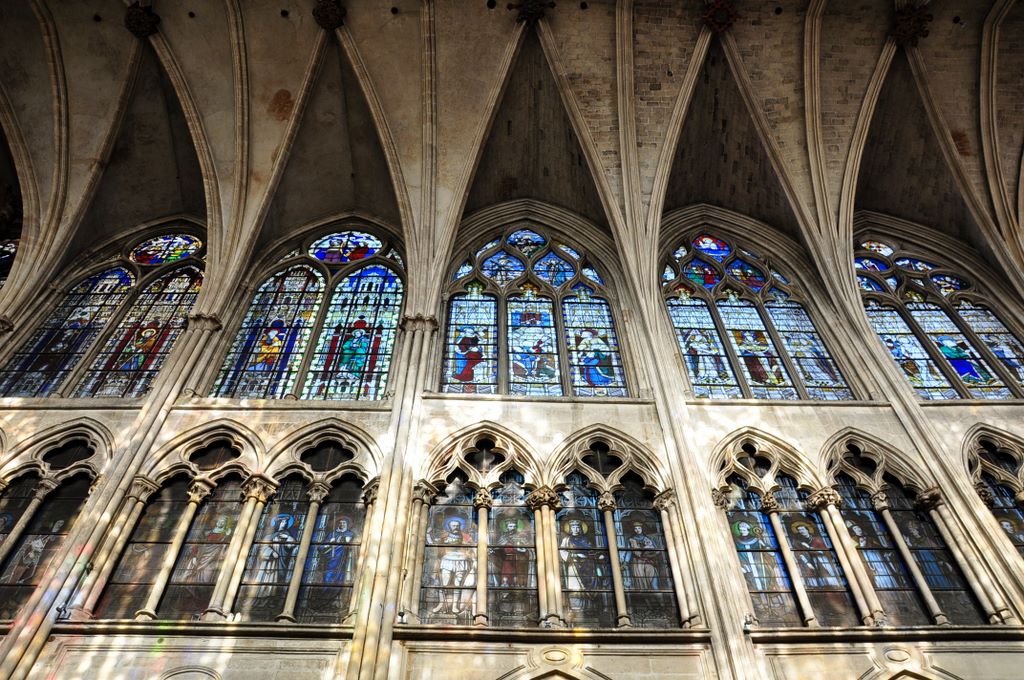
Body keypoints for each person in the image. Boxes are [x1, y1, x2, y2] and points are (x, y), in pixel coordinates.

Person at [429, 515, 475, 616]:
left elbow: (473, 547)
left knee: (458, 584)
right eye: (453, 525)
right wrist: (428, 534)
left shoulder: (466, 536)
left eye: (457, 525)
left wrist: (469, 550)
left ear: (460, 526)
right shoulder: (444, 536)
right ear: (449, 526)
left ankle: (455, 606)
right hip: (447, 561)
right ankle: (441, 604)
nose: (455, 527)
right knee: (444, 584)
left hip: (462, 561)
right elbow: (433, 543)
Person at [254, 514, 297, 600]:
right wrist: (271, 553)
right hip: (267, 564)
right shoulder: (269, 536)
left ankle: (272, 599)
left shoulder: (287, 536)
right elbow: (262, 548)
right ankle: (259, 598)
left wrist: (288, 537)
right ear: (278, 523)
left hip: (280, 563)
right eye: (283, 522)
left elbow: (291, 546)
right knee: (264, 580)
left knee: (276, 581)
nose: (284, 524)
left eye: (286, 523)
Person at [787, 519, 839, 588]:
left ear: (807, 530)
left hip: (822, 561)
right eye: (799, 530)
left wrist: (809, 548)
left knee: (827, 580)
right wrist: (807, 562)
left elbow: (824, 551)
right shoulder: (799, 542)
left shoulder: (817, 540)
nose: (801, 531)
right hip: (810, 562)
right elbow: (799, 553)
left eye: (802, 529)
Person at [622, 519, 659, 590]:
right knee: (641, 585)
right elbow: (629, 552)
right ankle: (646, 600)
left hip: (648, 562)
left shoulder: (648, 539)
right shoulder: (631, 540)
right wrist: (625, 562)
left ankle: (658, 598)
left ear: (642, 529)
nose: (637, 530)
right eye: (635, 528)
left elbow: (657, 551)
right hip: (637, 564)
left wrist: (650, 555)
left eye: (639, 528)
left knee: (653, 583)